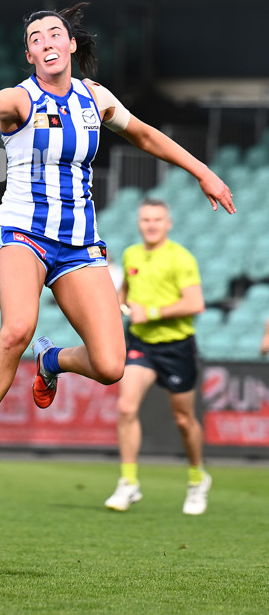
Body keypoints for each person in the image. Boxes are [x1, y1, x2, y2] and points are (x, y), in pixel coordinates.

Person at [0, 5, 236, 484]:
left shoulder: (95, 98)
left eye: (56, 33)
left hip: (79, 245)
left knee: (111, 365)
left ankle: (51, 360)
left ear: (72, 45)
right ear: (29, 53)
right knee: (16, 327)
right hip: (22, 232)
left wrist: (204, 172)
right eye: (37, 37)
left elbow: (145, 135)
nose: (48, 41)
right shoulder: (19, 100)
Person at [104, 198, 210, 515]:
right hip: (141, 344)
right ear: (139, 223)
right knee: (125, 407)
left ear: (168, 224)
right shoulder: (132, 254)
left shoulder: (181, 258)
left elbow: (195, 303)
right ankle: (128, 483)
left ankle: (196, 479)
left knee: (183, 419)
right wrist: (116, 304)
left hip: (177, 346)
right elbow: (123, 297)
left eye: (157, 220)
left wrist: (149, 312)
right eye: (146, 219)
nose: (151, 225)